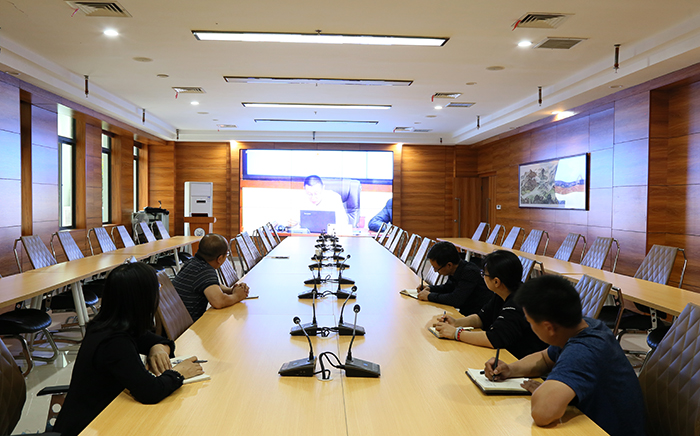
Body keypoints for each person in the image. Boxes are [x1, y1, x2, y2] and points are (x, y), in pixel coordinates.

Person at [483, 275, 646, 436]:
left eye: (531, 323)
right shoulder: (584, 326)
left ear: (549, 328)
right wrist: (510, 369)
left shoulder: (582, 351)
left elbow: (542, 413)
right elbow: (545, 358)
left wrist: (547, 393)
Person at [53, 262, 204, 436]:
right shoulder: (114, 342)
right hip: (89, 427)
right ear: (142, 298)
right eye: (157, 288)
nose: (159, 292)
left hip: (104, 417)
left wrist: (158, 349)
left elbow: (161, 341)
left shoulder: (111, 324)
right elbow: (150, 392)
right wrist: (179, 373)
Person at [432, 250, 547, 359]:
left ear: (496, 281)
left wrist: (456, 333)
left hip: (517, 359)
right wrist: (456, 323)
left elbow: (494, 339)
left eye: (484, 274)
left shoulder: (517, 303)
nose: (482, 277)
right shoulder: (502, 293)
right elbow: (481, 318)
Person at [172, 233, 249, 321]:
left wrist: (230, 290)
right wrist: (237, 296)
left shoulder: (193, 262)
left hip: (174, 318)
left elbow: (211, 285)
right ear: (219, 259)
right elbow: (218, 302)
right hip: (185, 324)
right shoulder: (205, 270)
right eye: (226, 254)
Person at [416, 241, 491, 316]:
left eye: (437, 268)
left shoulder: (470, 273)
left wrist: (429, 296)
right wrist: (430, 288)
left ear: (449, 265)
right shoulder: (455, 268)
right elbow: (448, 287)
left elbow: (455, 300)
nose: (435, 271)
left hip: (477, 316)